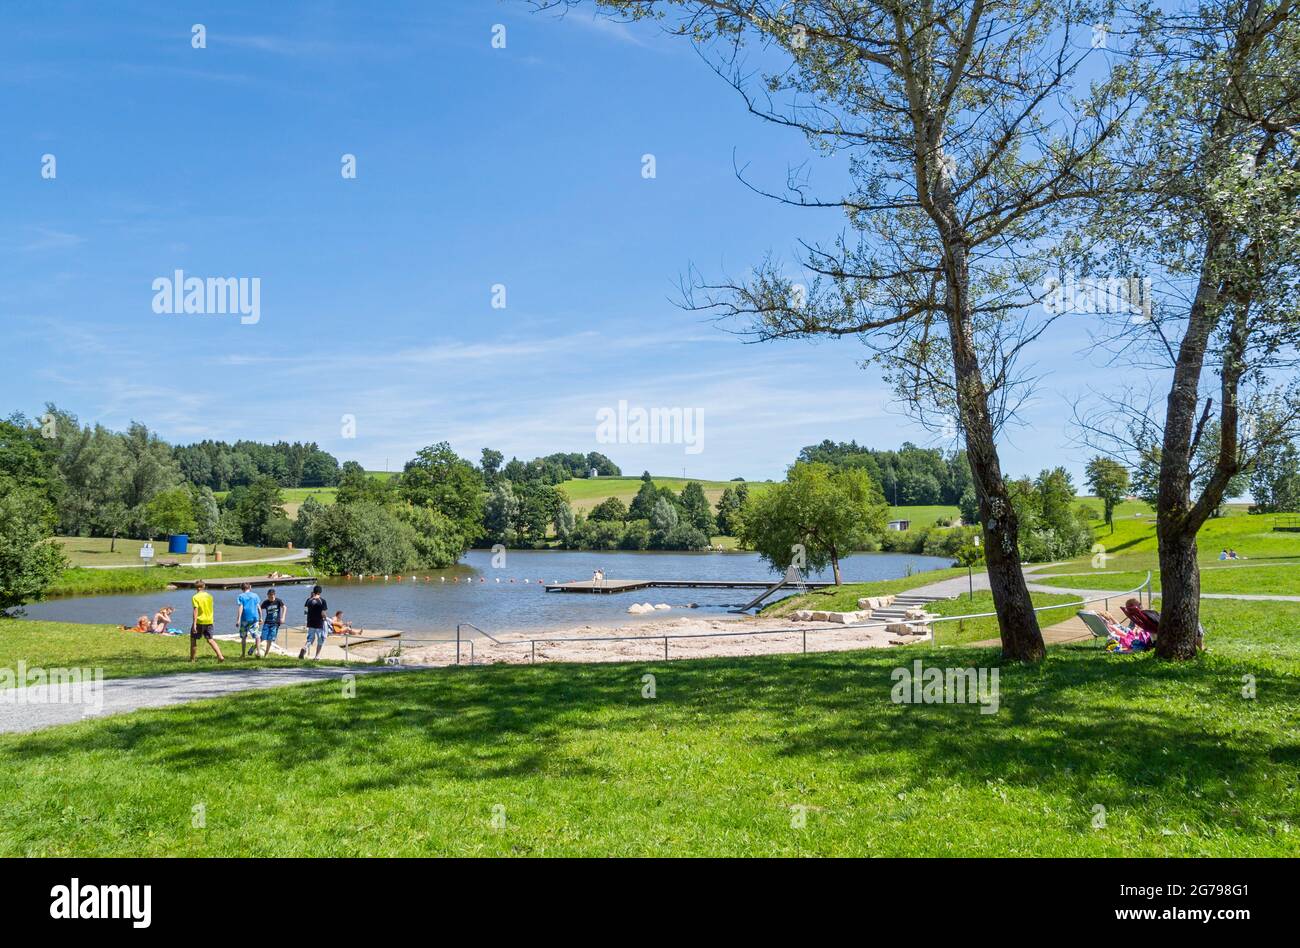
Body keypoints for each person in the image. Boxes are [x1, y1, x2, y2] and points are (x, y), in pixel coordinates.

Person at [190, 579, 225, 663]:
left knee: (193, 639)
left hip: (199, 621)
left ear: (196, 588)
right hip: (209, 621)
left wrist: (194, 624)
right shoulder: (210, 596)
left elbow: (195, 611)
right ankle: (220, 656)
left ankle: (192, 659)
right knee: (210, 639)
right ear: (204, 586)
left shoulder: (195, 597)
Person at [256, 588, 285, 658]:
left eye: (271, 596)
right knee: (263, 637)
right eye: (269, 596)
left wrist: (283, 617)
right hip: (267, 623)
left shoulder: (278, 601)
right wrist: (260, 618)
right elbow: (259, 608)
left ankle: (266, 654)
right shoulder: (266, 602)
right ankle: (256, 648)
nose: (270, 598)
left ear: (274, 595)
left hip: (275, 623)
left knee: (270, 639)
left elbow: (284, 607)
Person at [300, 585, 328, 660]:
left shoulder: (308, 600)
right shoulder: (322, 601)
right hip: (319, 623)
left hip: (310, 622)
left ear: (314, 591)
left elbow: (306, 611)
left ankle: (304, 648)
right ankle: (317, 656)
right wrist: (326, 618)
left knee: (310, 639)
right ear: (320, 592)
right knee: (320, 640)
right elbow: (323, 613)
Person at [234, 582, 261, 657]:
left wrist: (238, 619)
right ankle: (258, 652)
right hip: (255, 619)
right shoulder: (255, 595)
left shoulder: (241, 596)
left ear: (241, 589)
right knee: (257, 636)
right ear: (250, 587)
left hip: (245, 619)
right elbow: (258, 607)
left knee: (243, 637)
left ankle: (243, 654)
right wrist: (261, 617)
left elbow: (241, 607)